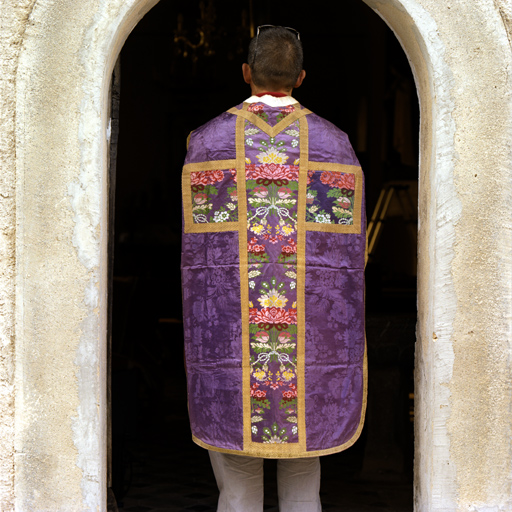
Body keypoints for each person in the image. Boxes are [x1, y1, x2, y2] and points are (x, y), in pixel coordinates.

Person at [181, 25, 367, 512]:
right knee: (305, 490)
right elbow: (345, 263)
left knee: (237, 491)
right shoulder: (333, 146)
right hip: (307, 364)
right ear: (301, 77)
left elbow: (202, 266)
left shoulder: (207, 143)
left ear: (246, 72)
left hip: (234, 356)